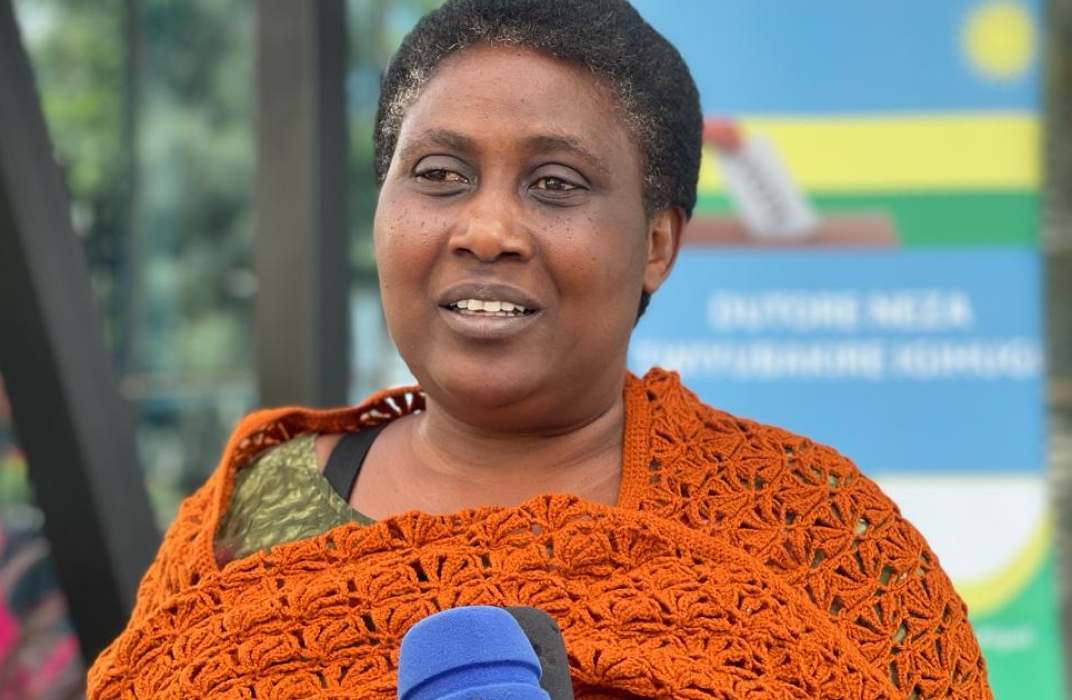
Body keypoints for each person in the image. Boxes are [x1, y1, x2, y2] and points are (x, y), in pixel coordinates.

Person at [88, 1, 991, 698]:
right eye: (438, 176)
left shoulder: (810, 530)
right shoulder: (259, 507)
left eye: (556, 184)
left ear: (657, 244)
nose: (486, 228)